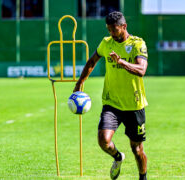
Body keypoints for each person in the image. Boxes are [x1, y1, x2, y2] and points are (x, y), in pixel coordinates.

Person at [73, 11, 148, 180]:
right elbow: (92, 61)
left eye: (114, 29)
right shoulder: (106, 43)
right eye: (108, 30)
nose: (111, 33)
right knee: (103, 141)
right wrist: (79, 83)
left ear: (124, 27)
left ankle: (143, 178)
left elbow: (141, 70)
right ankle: (117, 157)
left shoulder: (137, 44)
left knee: (137, 150)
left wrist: (121, 62)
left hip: (134, 105)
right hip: (111, 103)